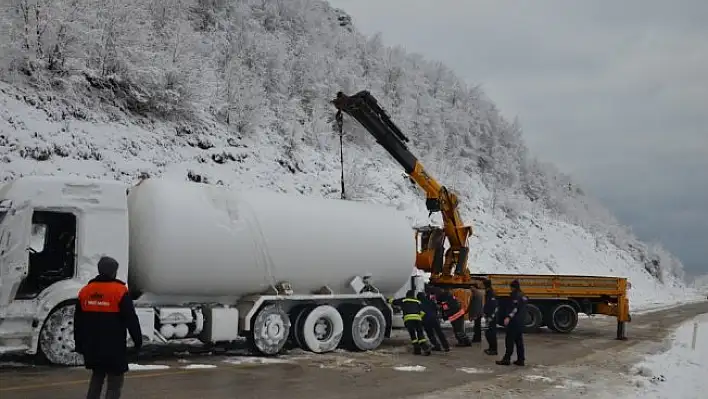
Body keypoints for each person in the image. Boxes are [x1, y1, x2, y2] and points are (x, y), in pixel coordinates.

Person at [74, 256, 143, 399]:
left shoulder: (85, 291)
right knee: (115, 382)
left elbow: (78, 322)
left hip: (92, 346)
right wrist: (138, 341)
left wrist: (79, 344)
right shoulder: (119, 291)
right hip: (114, 347)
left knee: (97, 378)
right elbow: (131, 319)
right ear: (113, 272)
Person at [389, 290, 431, 356]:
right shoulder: (417, 301)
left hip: (409, 320)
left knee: (413, 335)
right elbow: (423, 312)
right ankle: (425, 348)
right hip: (418, 319)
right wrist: (419, 317)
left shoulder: (404, 300)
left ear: (407, 295)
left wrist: (388, 299)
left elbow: (393, 302)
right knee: (420, 334)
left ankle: (417, 350)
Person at [496, 279, 527, 366]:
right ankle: (521, 360)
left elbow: (515, 308)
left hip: (514, 322)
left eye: (511, 287)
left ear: (513, 287)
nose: (510, 289)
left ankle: (506, 359)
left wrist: (508, 317)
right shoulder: (523, 295)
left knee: (509, 341)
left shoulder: (516, 296)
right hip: (520, 322)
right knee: (519, 342)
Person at [482, 279, 498, 355]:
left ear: (485, 285)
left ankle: (494, 350)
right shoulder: (488, 292)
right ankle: (491, 348)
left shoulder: (491, 293)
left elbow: (494, 306)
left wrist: (491, 316)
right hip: (488, 316)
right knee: (488, 333)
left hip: (491, 317)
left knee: (491, 333)